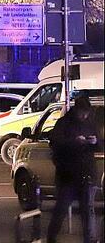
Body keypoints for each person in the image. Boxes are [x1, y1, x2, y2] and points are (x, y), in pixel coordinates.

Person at [46, 94, 100, 243]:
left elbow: (99, 144)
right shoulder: (64, 123)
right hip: (67, 175)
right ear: (76, 110)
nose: (84, 115)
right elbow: (56, 143)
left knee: (87, 211)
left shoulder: (90, 123)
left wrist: (94, 142)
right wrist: (74, 142)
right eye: (82, 112)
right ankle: (51, 238)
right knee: (61, 208)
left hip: (86, 173)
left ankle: (89, 240)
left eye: (86, 113)